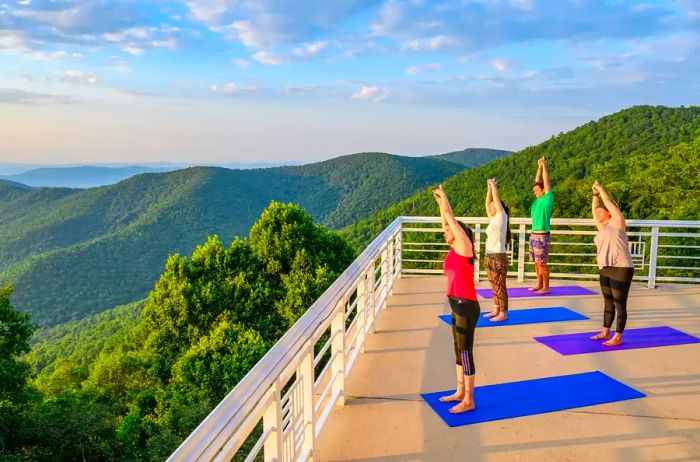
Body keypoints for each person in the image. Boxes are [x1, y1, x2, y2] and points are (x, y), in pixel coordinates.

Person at [432, 184, 480, 414]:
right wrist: (441, 202)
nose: (445, 231)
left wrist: (445, 200)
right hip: (456, 303)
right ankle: (460, 391)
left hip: (466, 305)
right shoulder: (454, 248)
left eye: (449, 230)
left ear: (459, 233)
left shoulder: (464, 247)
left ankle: (469, 399)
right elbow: (447, 220)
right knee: (457, 349)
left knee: (465, 351)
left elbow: (450, 219)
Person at [590, 180, 634, 346]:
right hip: (605, 268)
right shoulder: (602, 228)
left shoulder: (617, 223)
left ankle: (618, 336)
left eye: (602, 212)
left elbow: (608, 203)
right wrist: (594, 195)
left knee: (619, 303)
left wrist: (600, 189)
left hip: (621, 268)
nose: (598, 214)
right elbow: (594, 211)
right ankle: (605, 331)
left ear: (609, 213)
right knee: (608, 302)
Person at [483, 178, 511, 322]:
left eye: (494, 205)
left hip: (498, 257)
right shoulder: (493, 219)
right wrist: (488, 188)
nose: (491, 206)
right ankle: (496, 308)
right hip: (489, 256)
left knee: (500, 285)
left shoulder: (501, 218)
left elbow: (495, 199)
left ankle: (503, 313)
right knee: (493, 284)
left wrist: (493, 187)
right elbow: (487, 204)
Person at [529, 156, 555, 294]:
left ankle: (546, 286)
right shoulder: (537, 201)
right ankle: (539, 284)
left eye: (537, 191)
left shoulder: (547, 199)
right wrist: (538, 167)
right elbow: (537, 181)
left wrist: (544, 166)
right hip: (534, 234)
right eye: (534, 191)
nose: (535, 193)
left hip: (542, 235)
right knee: (535, 262)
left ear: (544, 191)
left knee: (542, 263)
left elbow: (545, 181)